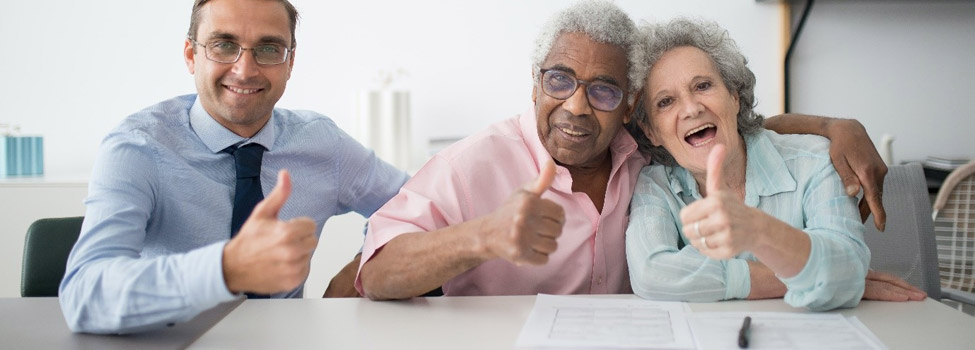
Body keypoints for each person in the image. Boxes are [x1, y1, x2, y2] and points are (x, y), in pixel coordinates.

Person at [356, 0, 893, 300]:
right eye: (559, 80)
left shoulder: (639, 152)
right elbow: (376, 273)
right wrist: (484, 235)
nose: (576, 107)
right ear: (535, 84)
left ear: (629, 107)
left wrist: (834, 126)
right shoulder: (468, 165)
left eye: (603, 90)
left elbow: (730, 129)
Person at [58, 0, 408, 334]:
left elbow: (418, 204)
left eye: (268, 49)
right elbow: (84, 296)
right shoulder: (137, 147)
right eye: (224, 45)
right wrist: (225, 270)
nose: (245, 70)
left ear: (290, 62)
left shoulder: (322, 143)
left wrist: (358, 275)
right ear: (191, 55)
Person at [625, 18, 927, 311]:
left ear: (734, 97)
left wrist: (758, 230)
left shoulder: (815, 161)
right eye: (665, 102)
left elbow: (845, 269)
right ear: (651, 131)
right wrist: (802, 278)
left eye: (703, 86)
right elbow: (651, 274)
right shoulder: (655, 184)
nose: (691, 109)